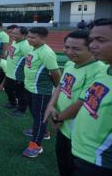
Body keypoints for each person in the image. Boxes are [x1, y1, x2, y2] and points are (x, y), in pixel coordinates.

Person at [42, 30, 105, 176]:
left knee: (75, 166)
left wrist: (59, 117)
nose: (69, 52)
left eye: (76, 49)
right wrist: (51, 106)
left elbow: (82, 103)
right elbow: (60, 85)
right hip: (63, 126)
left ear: (91, 49)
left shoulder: (98, 70)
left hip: (80, 133)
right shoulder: (70, 64)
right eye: (67, 47)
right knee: (62, 162)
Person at [70, 18, 112, 175]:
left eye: (100, 40)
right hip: (81, 151)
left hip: (99, 163)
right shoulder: (105, 71)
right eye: (91, 40)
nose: (92, 45)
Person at [22, 27, 61, 158]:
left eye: (33, 37)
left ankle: (36, 145)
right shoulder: (33, 49)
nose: (29, 39)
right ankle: (43, 132)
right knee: (35, 114)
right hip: (30, 88)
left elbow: (55, 72)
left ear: (43, 38)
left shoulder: (47, 52)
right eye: (28, 36)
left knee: (40, 117)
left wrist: (57, 88)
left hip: (41, 91)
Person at [5, 25, 33, 117]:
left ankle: (21, 110)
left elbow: (29, 61)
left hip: (18, 75)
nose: (13, 35)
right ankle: (12, 103)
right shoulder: (15, 42)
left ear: (24, 35)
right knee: (7, 87)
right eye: (12, 33)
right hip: (10, 73)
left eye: (16, 34)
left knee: (20, 93)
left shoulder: (25, 45)